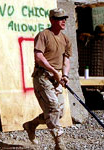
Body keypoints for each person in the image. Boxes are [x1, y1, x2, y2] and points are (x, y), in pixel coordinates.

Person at [23, 8, 72, 150]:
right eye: (59, 18)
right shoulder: (43, 35)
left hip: (56, 78)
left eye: (64, 18)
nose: (63, 21)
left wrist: (65, 75)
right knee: (53, 108)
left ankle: (31, 125)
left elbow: (66, 60)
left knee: (59, 112)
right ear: (52, 20)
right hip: (43, 76)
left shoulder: (66, 39)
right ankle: (59, 142)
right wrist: (53, 71)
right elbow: (38, 57)